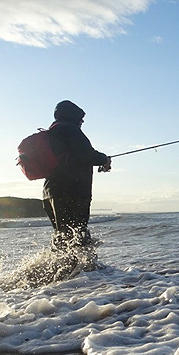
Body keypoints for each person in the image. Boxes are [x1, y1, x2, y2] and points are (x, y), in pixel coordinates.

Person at [42, 100, 111, 251]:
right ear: (71, 116)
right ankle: (86, 271)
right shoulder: (70, 129)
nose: (82, 121)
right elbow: (86, 155)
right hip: (72, 191)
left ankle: (58, 270)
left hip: (50, 192)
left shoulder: (53, 131)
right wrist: (104, 159)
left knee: (62, 235)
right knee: (78, 235)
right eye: (79, 117)